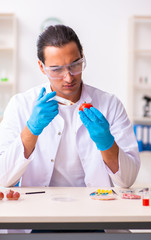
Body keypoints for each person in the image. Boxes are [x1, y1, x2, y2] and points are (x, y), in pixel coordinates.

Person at [0, 24, 140, 189]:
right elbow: (3, 178)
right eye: (57, 69)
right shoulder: (20, 105)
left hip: (96, 207)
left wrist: (107, 143)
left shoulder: (109, 104)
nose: (68, 78)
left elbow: (128, 180)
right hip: (37, 208)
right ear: (41, 67)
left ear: (82, 55)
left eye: (75, 65)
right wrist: (30, 130)